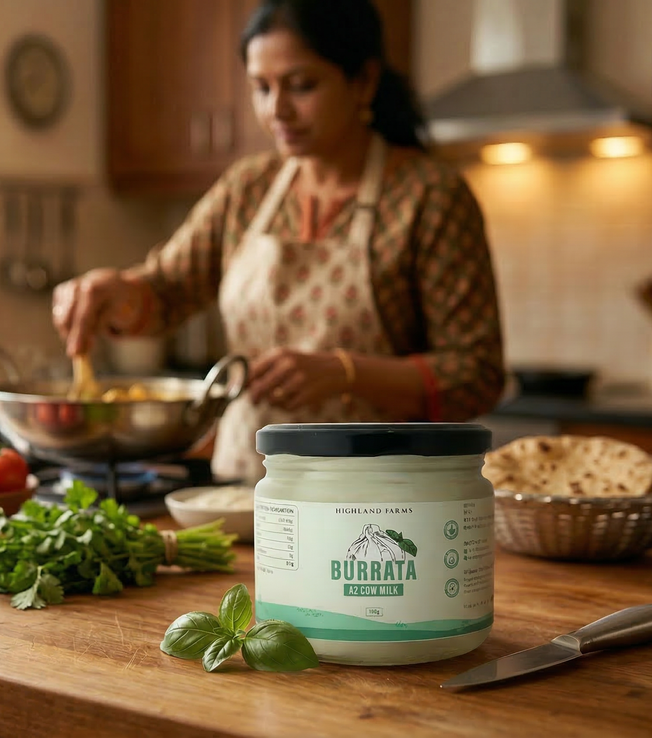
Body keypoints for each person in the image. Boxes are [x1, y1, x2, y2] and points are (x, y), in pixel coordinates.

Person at [52, 0, 505, 481]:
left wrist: (346, 372)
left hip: (378, 497)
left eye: (301, 86)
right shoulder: (248, 187)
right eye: (261, 88)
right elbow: (167, 290)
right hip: (246, 486)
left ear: (364, 81)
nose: (277, 110)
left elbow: (476, 373)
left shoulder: (429, 196)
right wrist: (114, 293)